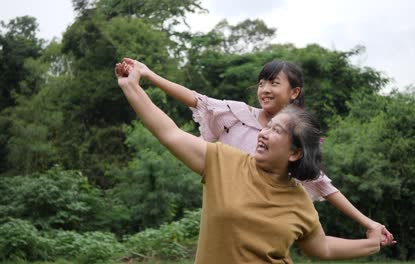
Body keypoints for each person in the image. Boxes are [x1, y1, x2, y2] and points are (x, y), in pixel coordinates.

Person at [115, 62, 384, 263]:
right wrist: (133, 86)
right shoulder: (222, 161)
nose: (263, 132)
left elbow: (322, 247)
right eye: (267, 127)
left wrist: (371, 242)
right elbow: (170, 132)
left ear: (294, 153)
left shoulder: (300, 202)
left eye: (276, 131)